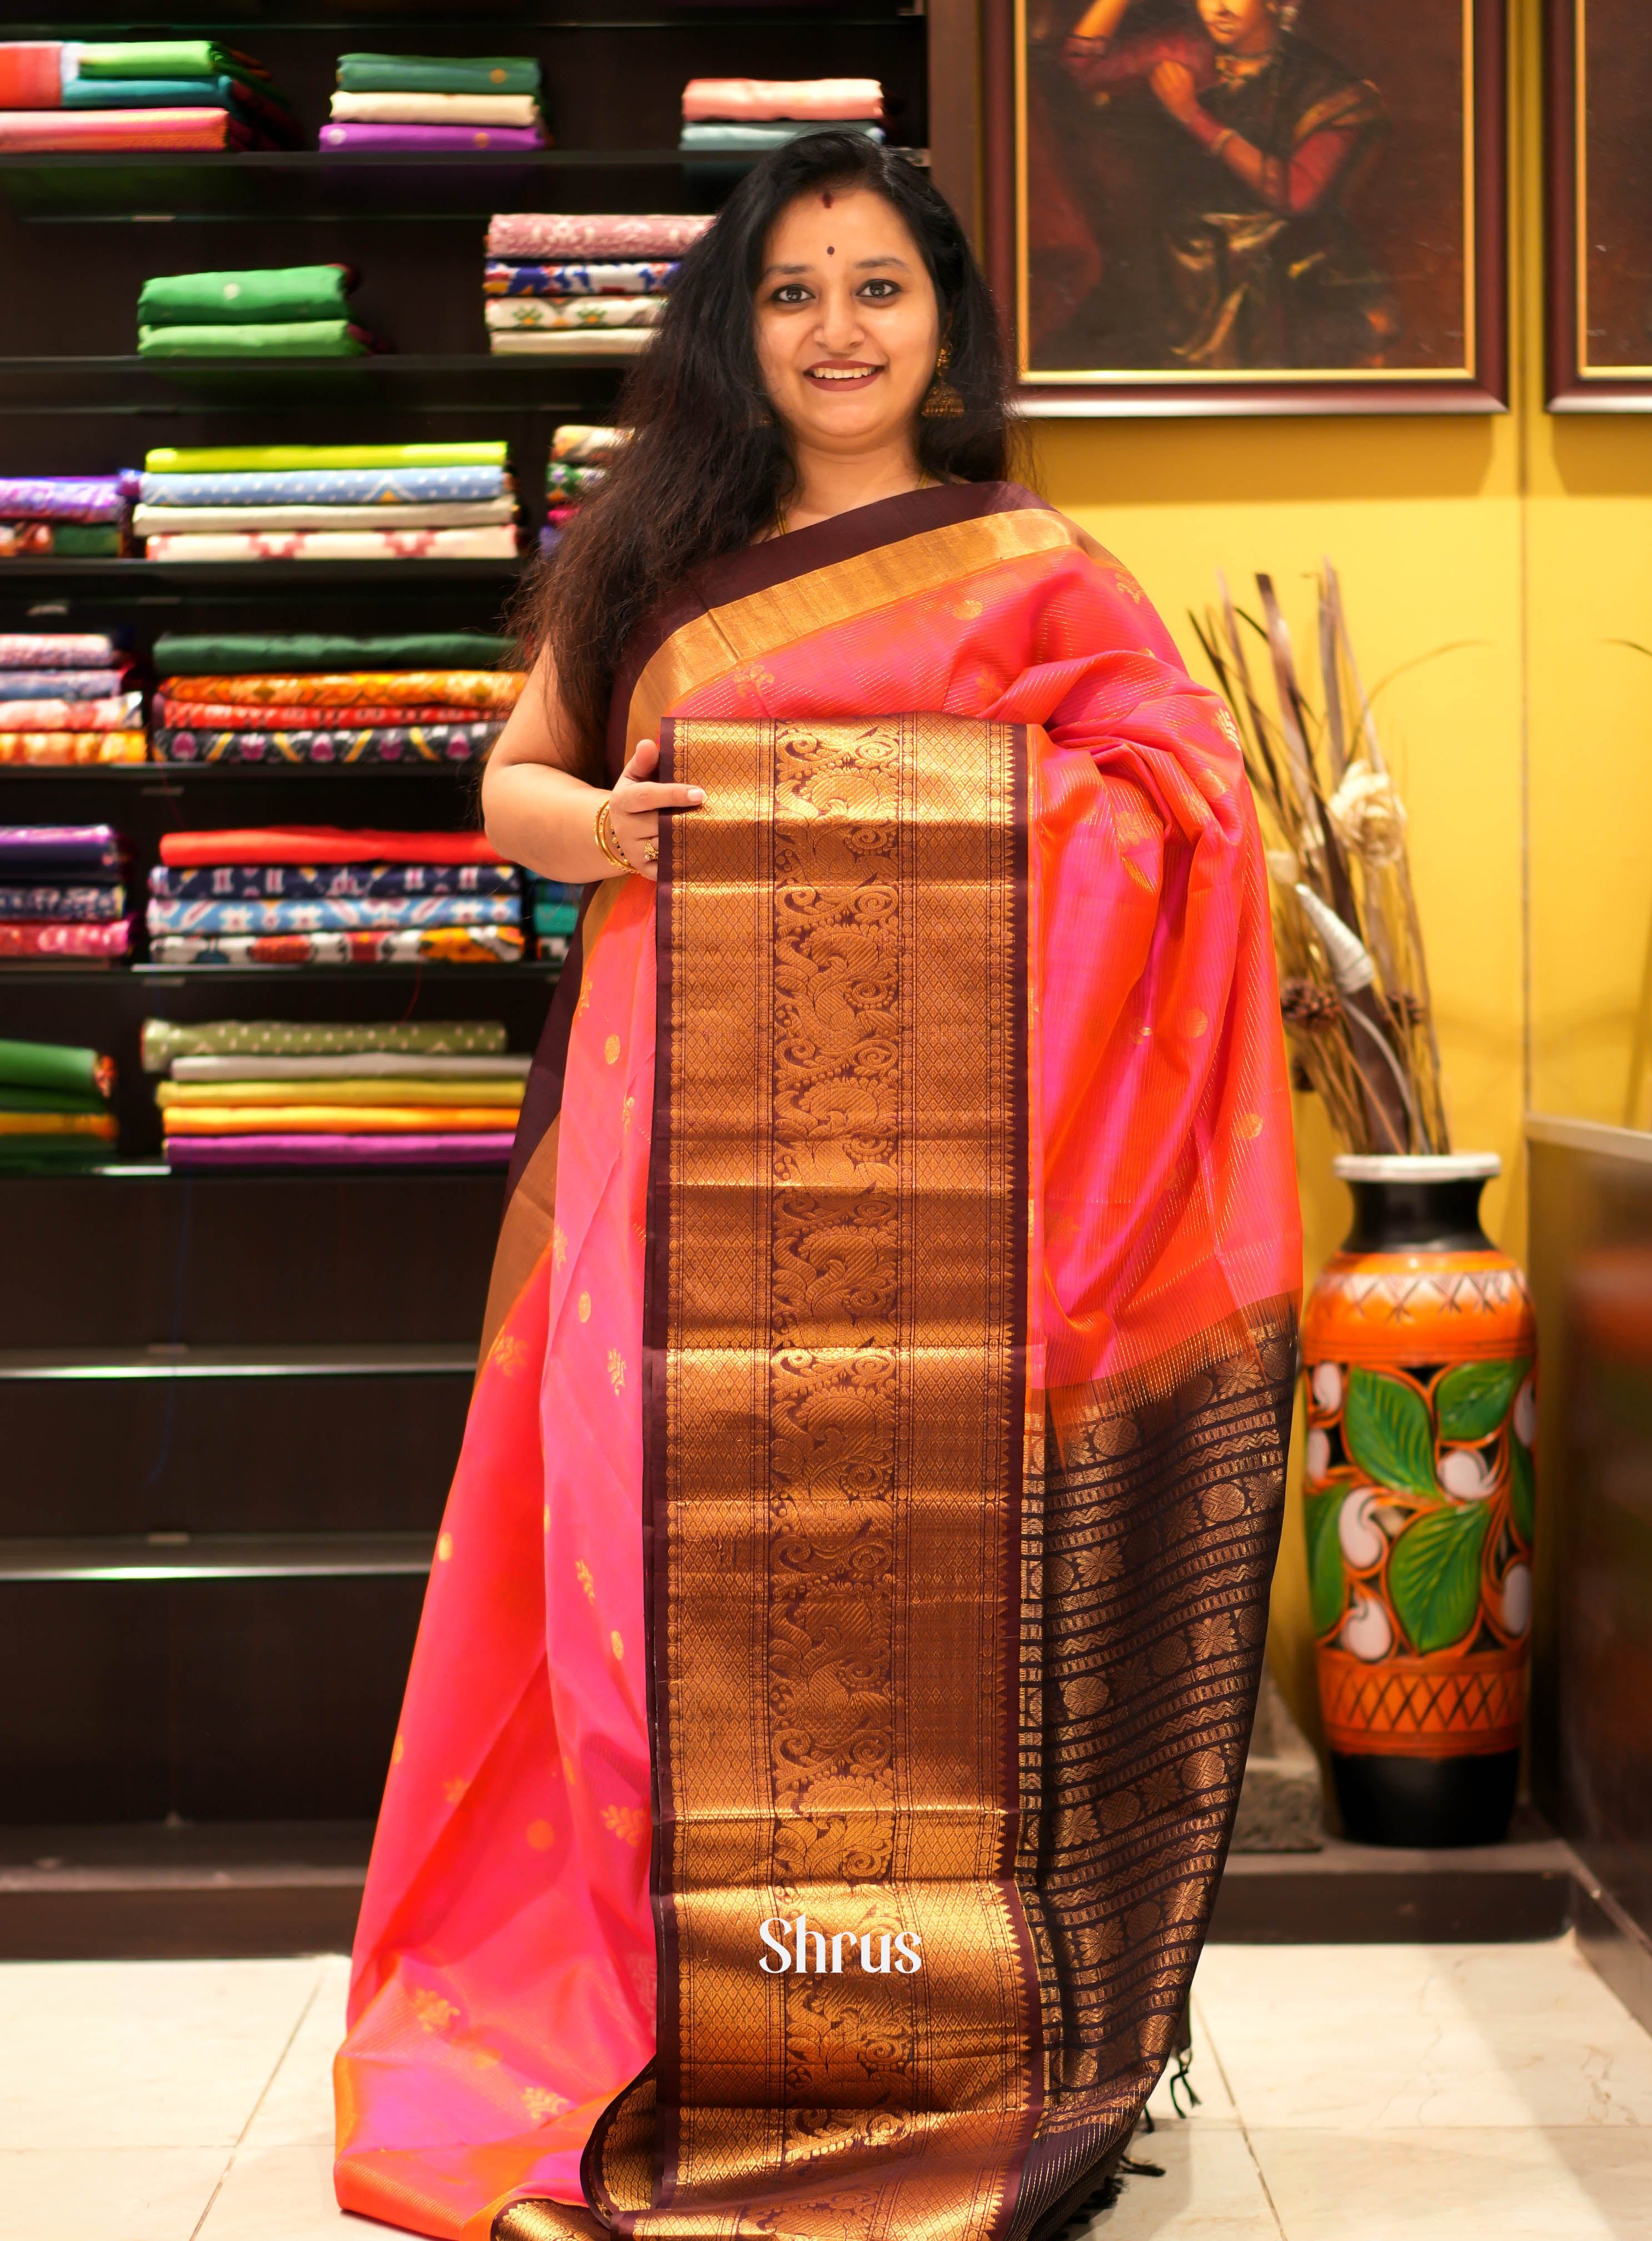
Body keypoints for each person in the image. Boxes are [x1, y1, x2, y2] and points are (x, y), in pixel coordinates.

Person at [333, 131, 1301, 2241]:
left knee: (911, 1612)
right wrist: (597, 834)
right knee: (628, 1580)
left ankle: (912, 2027)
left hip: (952, 1219)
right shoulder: (653, 552)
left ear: (942, 318)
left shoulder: (1027, 563)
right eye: (790, 291)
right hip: (665, 1179)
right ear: (734, 325)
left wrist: (927, 818)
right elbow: (514, 777)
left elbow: (1186, 809)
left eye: (876, 284)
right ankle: (661, 2011)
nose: (836, 328)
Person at [1054, 0, 1393, 368]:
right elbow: (1079, 67)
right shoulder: (1185, 50)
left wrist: (1192, 116)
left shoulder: (1327, 87)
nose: (1218, 9)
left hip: (1287, 267)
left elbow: (1295, 194)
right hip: (1184, 263)